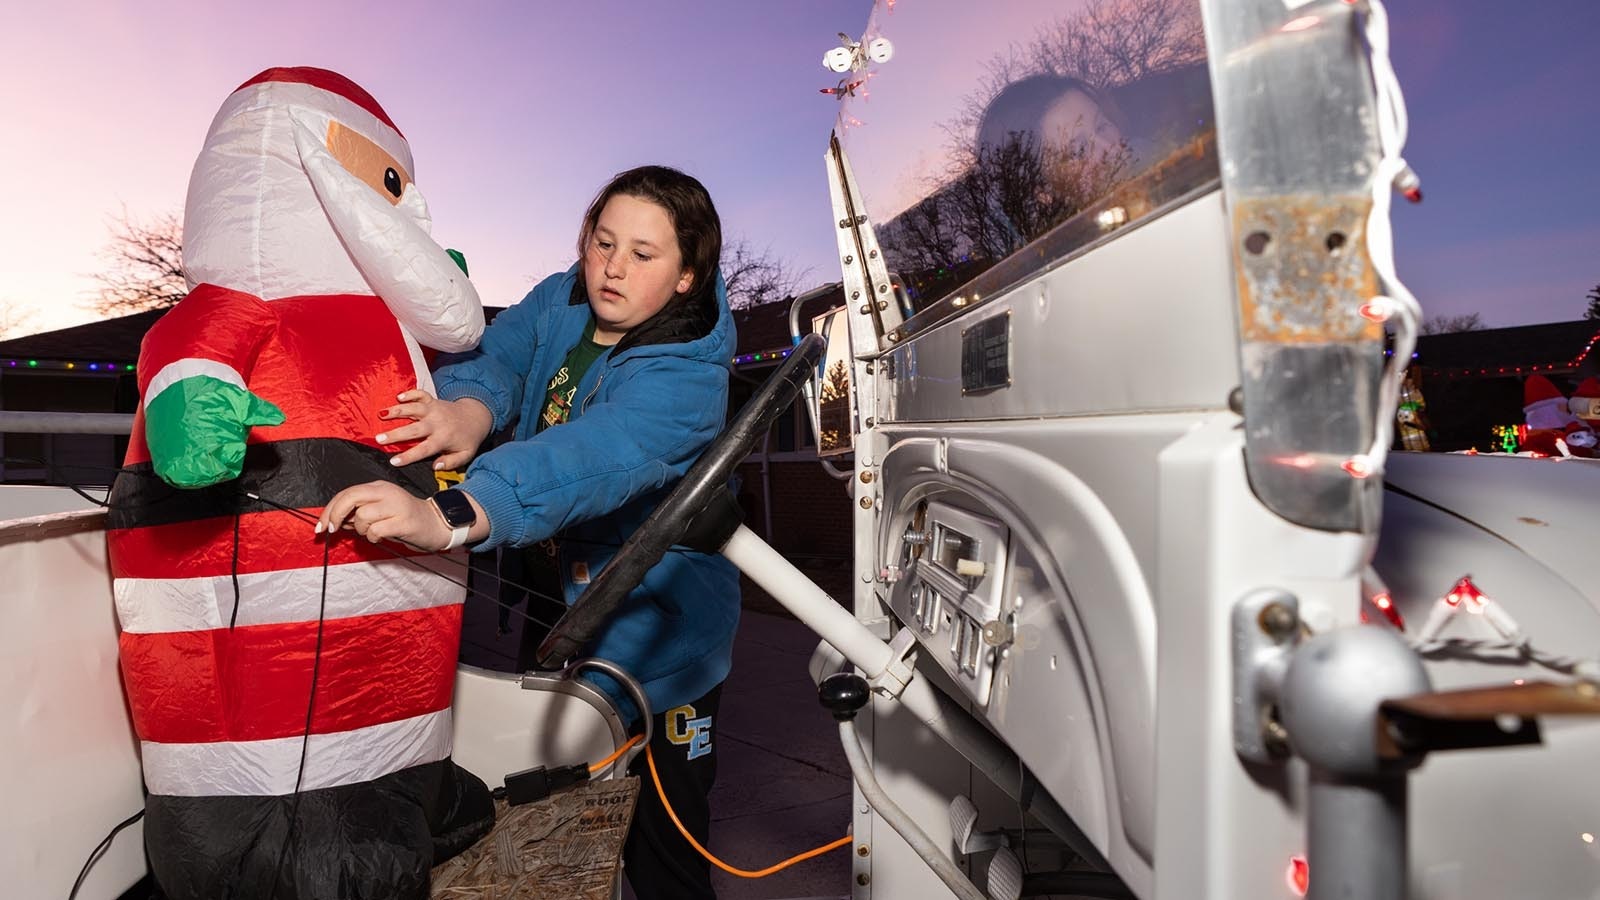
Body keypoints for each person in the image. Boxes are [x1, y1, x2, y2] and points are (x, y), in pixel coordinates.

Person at [318, 164, 740, 898]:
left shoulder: (687, 380)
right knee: (557, 824)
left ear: (686, 276)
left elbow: (585, 460)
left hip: (659, 639)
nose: (612, 268)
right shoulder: (563, 296)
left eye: (644, 255)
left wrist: (452, 514)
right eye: (602, 241)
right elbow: (499, 356)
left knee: (663, 847)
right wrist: (470, 411)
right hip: (561, 611)